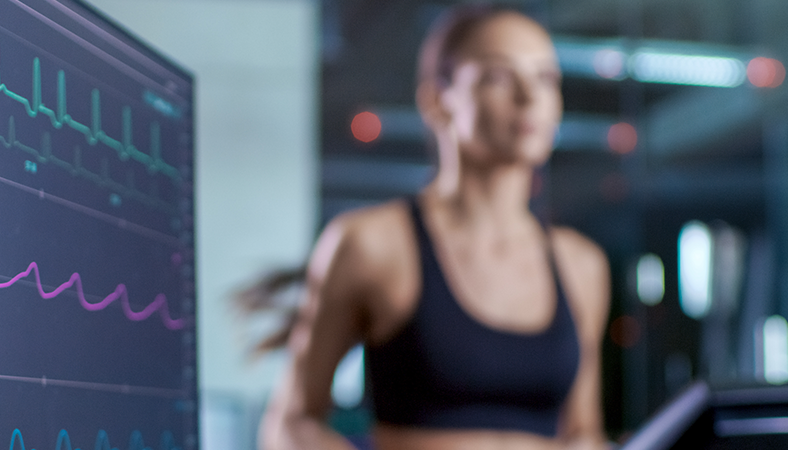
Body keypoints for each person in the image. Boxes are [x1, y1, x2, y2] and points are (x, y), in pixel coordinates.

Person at [258, 5, 611, 450]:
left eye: (545, 79)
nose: (529, 97)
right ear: (437, 102)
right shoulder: (372, 244)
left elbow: (583, 433)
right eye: (499, 77)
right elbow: (290, 426)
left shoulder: (582, 265)